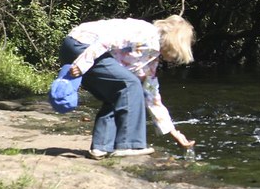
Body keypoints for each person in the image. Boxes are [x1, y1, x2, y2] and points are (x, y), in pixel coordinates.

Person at [58, 15, 197, 159]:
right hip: (81, 45)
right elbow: (106, 42)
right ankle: (129, 145)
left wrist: (173, 132)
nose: (175, 58)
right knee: (131, 85)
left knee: (116, 94)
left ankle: (101, 148)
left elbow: (152, 97)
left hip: (85, 52)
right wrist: (82, 64)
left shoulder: (151, 59)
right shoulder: (146, 33)